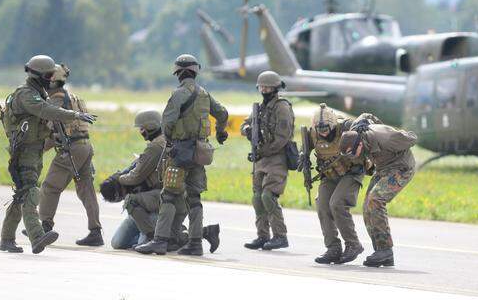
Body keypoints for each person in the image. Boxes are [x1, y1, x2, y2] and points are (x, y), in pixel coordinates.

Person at [0, 55, 96, 254]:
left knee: (22, 195)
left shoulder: (39, 92)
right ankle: (37, 236)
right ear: (39, 74)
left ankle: (7, 239)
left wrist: (55, 136)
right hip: (24, 152)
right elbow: (46, 111)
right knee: (30, 193)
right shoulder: (27, 94)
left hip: (34, 150)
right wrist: (75, 115)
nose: (51, 78)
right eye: (49, 74)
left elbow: (41, 123)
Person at [137, 54, 228, 256]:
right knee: (194, 197)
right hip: (200, 153)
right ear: (195, 72)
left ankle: (160, 241)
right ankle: (195, 244)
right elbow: (222, 113)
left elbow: (167, 123)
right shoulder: (204, 93)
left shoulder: (178, 94)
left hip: (181, 153)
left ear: (178, 73)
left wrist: (169, 141)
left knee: (168, 195)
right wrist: (221, 133)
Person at [102, 110, 219, 253]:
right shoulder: (166, 141)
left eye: (142, 128)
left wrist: (119, 178)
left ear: (150, 126)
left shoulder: (156, 146)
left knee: (130, 201)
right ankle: (197, 233)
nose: (141, 131)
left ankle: (156, 238)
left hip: (161, 199)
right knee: (118, 242)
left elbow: (136, 176)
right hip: (154, 202)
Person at [36, 64, 103, 246]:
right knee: (86, 190)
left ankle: (45, 228)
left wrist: (37, 150)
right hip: (85, 146)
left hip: (71, 148)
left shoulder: (56, 100)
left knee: (50, 186)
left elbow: (51, 130)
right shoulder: (73, 97)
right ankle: (95, 231)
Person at [339, 114, 417, 267]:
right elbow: (366, 115)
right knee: (367, 206)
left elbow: (411, 138)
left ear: (359, 145)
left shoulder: (385, 137)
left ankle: (385, 250)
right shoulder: (355, 134)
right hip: (383, 169)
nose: (352, 158)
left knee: (375, 200)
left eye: (352, 154)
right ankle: (382, 253)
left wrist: (393, 133)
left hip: (401, 168)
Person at [241, 71, 294, 251]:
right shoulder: (260, 108)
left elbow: (282, 138)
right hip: (261, 159)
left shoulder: (282, 107)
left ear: (275, 88)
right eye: (261, 87)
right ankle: (262, 236)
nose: (264, 90)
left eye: (267, 87)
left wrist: (262, 151)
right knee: (257, 198)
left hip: (277, 158)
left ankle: (280, 236)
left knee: (268, 196)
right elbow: (245, 123)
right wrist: (247, 129)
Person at [305, 103, 365, 264]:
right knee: (323, 204)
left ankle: (353, 244)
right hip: (329, 174)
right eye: (319, 128)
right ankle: (333, 248)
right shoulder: (312, 134)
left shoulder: (346, 127)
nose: (323, 131)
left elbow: (364, 144)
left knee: (337, 203)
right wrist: (302, 158)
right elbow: (306, 150)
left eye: (326, 127)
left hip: (351, 173)